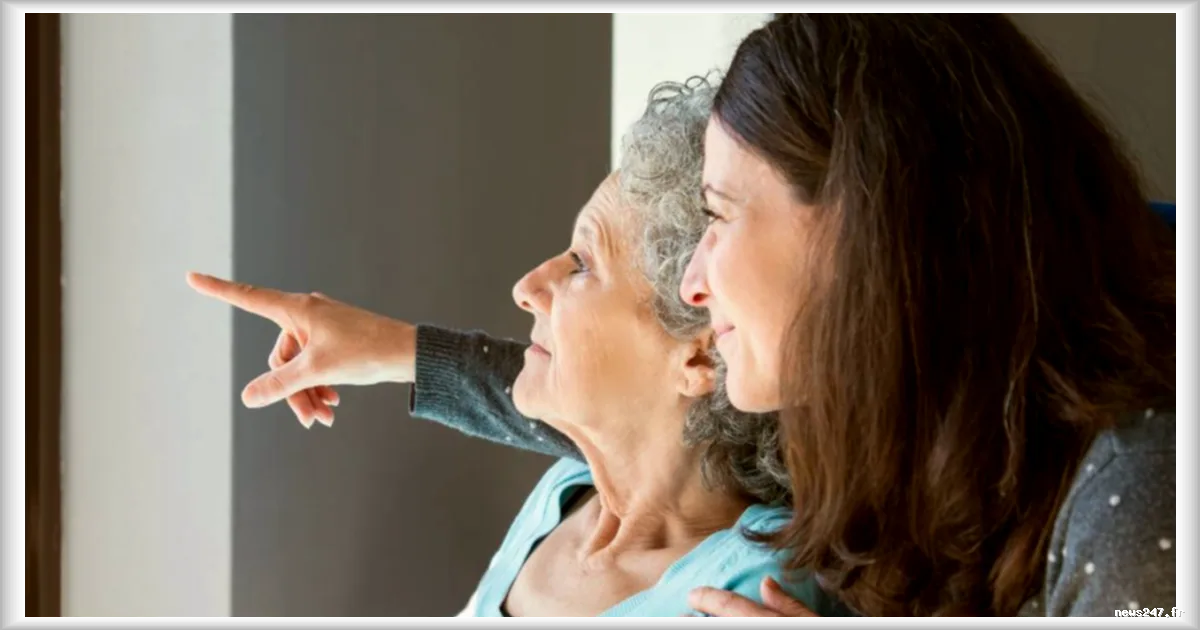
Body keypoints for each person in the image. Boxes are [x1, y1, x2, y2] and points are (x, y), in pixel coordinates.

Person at [194, 13, 1176, 617]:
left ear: (863, 232)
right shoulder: (899, 417)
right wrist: (402, 354)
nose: (698, 284)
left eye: (719, 216)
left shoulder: (1136, 497)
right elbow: (646, 414)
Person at [188, 80, 848, 618]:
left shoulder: (747, 592)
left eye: (583, 264)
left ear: (699, 356)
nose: (528, 287)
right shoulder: (567, 495)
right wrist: (396, 350)